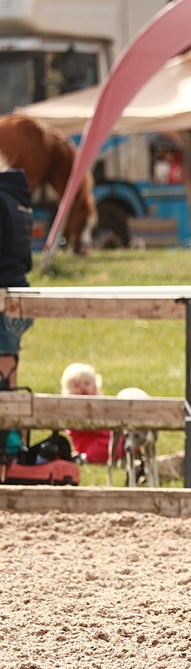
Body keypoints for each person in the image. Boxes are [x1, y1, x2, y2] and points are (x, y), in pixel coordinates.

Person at [0, 169, 34, 456]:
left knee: (3, 381)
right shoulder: (18, 198)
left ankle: (8, 451)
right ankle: (11, 449)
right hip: (19, 293)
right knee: (8, 375)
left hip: (2, 298)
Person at [61, 363, 113, 464]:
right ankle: (84, 458)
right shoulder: (71, 408)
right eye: (76, 385)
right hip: (87, 442)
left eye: (87, 383)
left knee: (118, 442)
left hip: (106, 437)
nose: (82, 387)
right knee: (99, 449)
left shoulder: (100, 404)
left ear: (95, 387)